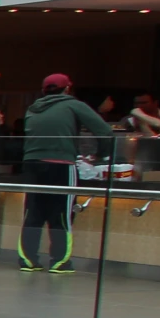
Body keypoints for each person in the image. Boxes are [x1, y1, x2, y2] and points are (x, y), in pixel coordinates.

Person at [20, 73, 114, 272]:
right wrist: (101, 156)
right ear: (67, 88)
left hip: (32, 164)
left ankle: (28, 260)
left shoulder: (32, 108)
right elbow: (105, 131)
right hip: (61, 164)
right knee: (61, 214)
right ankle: (60, 261)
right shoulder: (73, 104)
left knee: (33, 213)